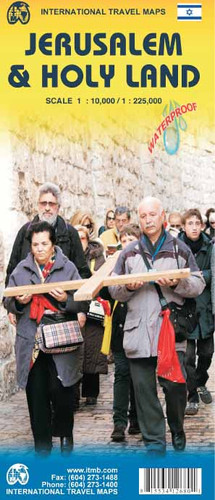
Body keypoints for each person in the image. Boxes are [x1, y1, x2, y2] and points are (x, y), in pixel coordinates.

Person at [109, 196, 205, 454]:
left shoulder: (179, 249)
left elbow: (198, 284)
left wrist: (176, 283)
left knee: (175, 387)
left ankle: (176, 426)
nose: (148, 219)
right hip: (138, 331)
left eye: (152, 214)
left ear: (163, 216)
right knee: (143, 391)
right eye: (143, 215)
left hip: (170, 331)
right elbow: (113, 288)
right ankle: (155, 443)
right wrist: (127, 287)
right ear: (138, 219)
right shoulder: (128, 252)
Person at [4, 221, 88, 455]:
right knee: (36, 396)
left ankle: (64, 438)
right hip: (31, 341)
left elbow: (83, 300)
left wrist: (65, 300)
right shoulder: (21, 269)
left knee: (62, 391)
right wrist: (18, 302)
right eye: (35, 244)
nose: (40, 248)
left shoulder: (67, 267)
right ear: (30, 246)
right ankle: (42, 448)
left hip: (60, 340)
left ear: (53, 245)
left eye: (44, 244)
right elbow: (7, 299)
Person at [5, 182, 90, 326]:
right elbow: (12, 270)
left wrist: (80, 308)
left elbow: (82, 272)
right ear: (38, 205)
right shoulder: (25, 232)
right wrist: (11, 307)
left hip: (62, 315)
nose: (47, 208)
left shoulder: (70, 233)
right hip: (29, 312)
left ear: (58, 207)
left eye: (52, 203)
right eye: (43, 203)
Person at [179, 209, 214, 415]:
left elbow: (213, 270)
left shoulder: (209, 246)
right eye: (189, 223)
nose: (193, 227)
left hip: (205, 307)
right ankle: (191, 394)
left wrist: (203, 276)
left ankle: (201, 381)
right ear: (184, 226)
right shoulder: (178, 247)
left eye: (196, 223)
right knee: (188, 357)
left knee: (207, 353)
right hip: (186, 308)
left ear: (202, 225)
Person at [76, 225, 108, 405]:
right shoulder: (67, 256)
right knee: (75, 351)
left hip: (93, 310)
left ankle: (91, 393)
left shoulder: (97, 258)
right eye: (77, 237)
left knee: (92, 351)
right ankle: (73, 393)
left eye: (83, 237)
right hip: (74, 309)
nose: (80, 240)